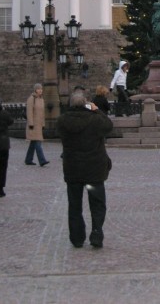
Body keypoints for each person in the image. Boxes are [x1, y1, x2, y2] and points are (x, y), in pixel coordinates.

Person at [57, 90, 113, 248]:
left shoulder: (62, 121)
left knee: (74, 205)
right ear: (86, 103)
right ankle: (96, 232)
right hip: (94, 170)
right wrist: (97, 110)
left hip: (73, 169)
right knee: (97, 204)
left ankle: (77, 237)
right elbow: (109, 126)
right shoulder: (95, 119)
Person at [24, 83, 49, 166]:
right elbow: (29, 112)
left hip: (39, 125)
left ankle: (28, 159)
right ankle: (42, 160)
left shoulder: (41, 99)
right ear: (35, 90)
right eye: (38, 89)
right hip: (33, 125)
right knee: (38, 142)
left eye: (41, 89)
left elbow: (42, 113)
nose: (40, 90)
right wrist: (31, 123)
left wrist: (43, 124)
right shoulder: (31, 99)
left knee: (33, 143)